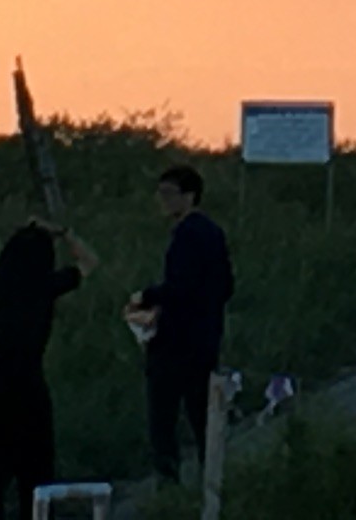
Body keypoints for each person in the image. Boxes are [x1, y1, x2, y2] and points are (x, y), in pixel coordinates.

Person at [0, 219, 92, 520]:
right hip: (28, 397)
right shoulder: (44, 287)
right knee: (35, 486)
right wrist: (65, 233)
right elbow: (88, 263)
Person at [130, 162, 232, 488]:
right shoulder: (212, 232)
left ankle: (169, 483)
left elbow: (181, 287)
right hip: (204, 338)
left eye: (169, 193)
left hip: (176, 342)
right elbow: (225, 285)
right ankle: (211, 480)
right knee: (202, 415)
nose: (163, 200)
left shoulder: (189, 235)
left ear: (189, 196)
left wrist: (148, 296)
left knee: (163, 416)